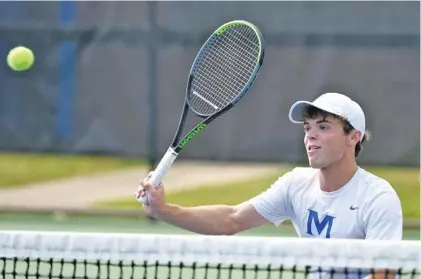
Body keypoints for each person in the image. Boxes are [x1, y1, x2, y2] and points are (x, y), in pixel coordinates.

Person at [135, 92, 402, 278]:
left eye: (323, 127)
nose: (310, 135)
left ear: (353, 136)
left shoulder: (378, 197)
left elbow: (383, 273)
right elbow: (232, 219)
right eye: (307, 127)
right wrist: (164, 210)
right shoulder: (296, 185)